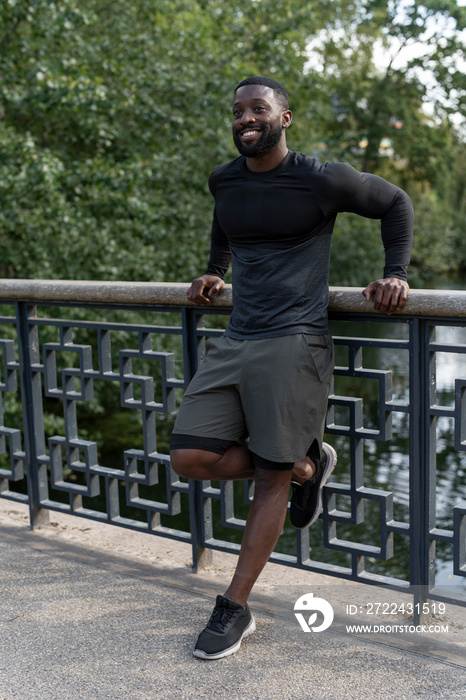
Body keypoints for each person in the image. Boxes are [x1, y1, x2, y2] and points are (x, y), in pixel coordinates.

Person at [170, 76, 413, 660]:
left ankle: (235, 607)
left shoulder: (320, 178)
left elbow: (395, 203)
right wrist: (214, 267)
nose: (244, 118)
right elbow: (226, 217)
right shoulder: (223, 178)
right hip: (237, 337)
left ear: (285, 118)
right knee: (189, 457)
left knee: (269, 473)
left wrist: (397, 273)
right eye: (237, 111)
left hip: (294, 341)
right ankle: (310, 466)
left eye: (258, 109)